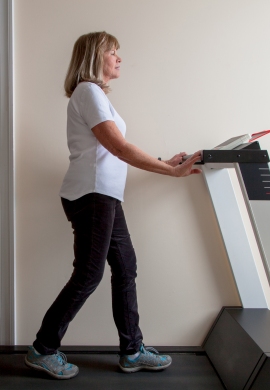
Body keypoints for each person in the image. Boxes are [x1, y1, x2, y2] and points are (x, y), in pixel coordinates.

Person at [25, 31, 201, 380]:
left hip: (104, 195)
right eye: (112, 52)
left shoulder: (97, 97)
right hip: (92, 196)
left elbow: (114, 150)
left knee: (125, 267)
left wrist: (165, 160)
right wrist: (170, 170)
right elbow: (119, 148)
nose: (119, 58)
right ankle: (43, 349)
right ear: (94, 56)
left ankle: (132, 350)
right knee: (89, 273)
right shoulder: (88, 92)